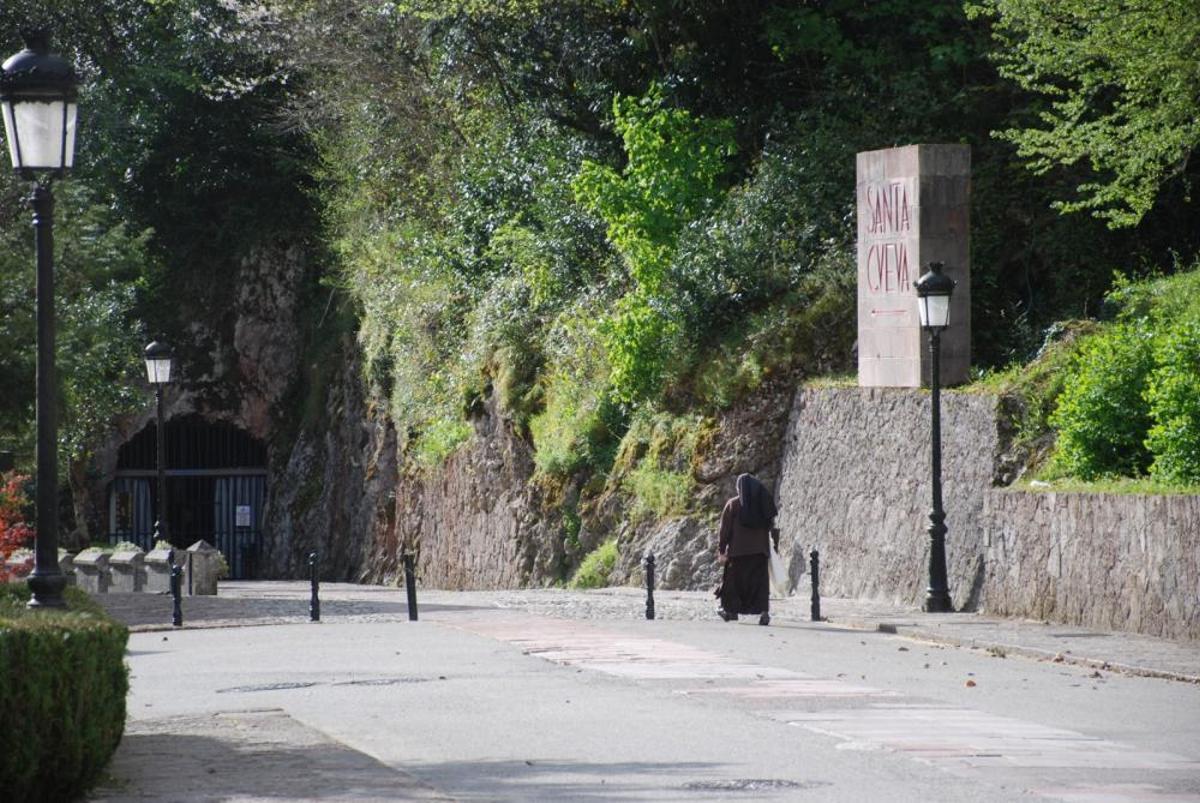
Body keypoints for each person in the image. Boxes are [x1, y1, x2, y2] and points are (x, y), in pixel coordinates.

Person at [715, 473, 779, 625]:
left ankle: (731, 611)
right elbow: (771, 527)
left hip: (738, 553)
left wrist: (722, 549)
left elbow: (725, 530)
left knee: (733, 583)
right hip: (760, 553)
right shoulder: (763, 505)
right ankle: (763, 613)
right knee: (759, 585)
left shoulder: (733, 504)